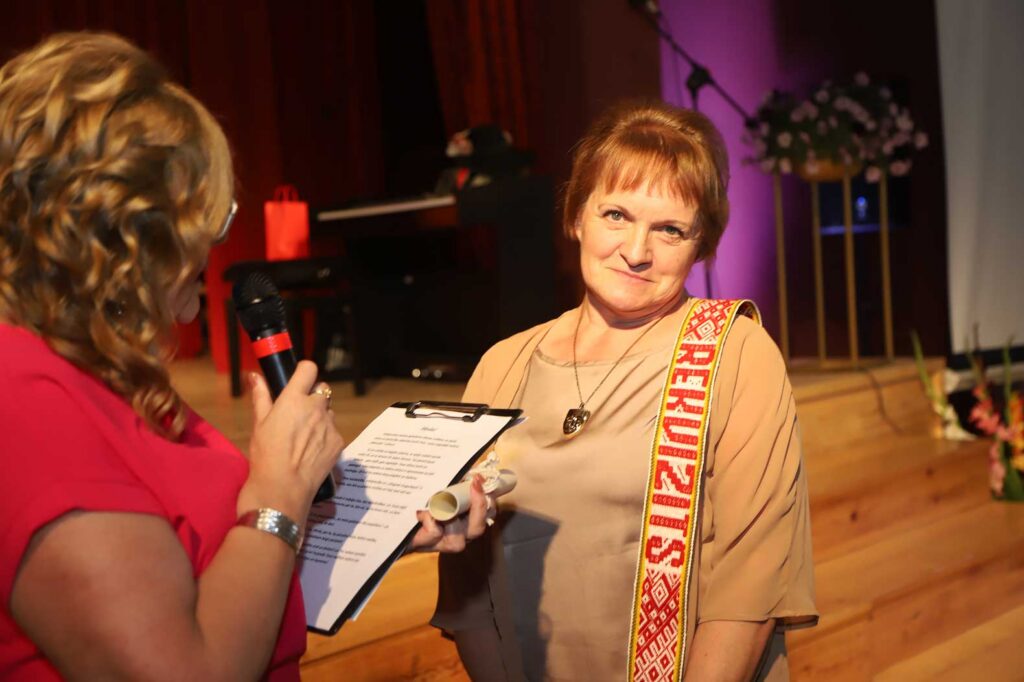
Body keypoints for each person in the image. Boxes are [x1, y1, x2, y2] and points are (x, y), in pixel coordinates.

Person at [0, 32, 487, 681]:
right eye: (206, 215)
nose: (212, 243)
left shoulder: (104, 371)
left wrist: (373, 536)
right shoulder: (24, 401)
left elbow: (215, 573)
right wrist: (280, 488)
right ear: (128, 231)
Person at [433, 101, 818, 681]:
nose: (637, 252)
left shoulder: (735, 354)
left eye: (670, 230)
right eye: (616, 214)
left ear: (701, 245)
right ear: (576, 217)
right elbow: (468, 591)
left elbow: (750, 583)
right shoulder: (502, 365)